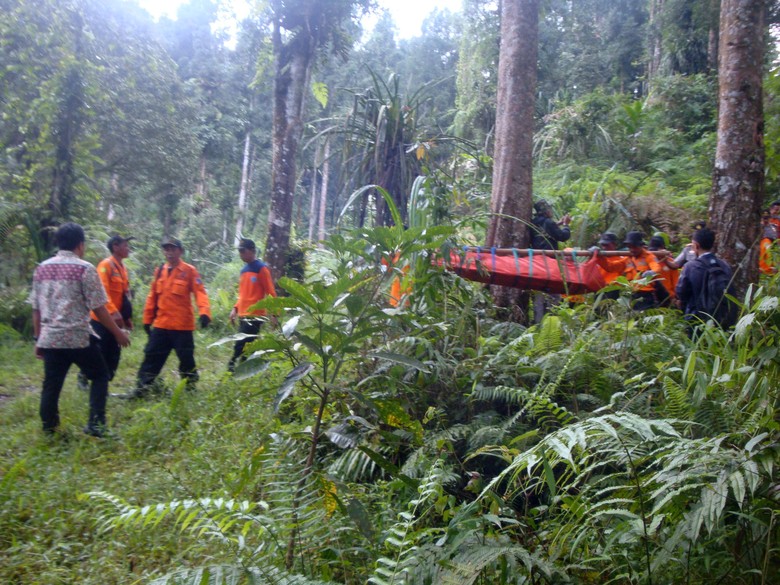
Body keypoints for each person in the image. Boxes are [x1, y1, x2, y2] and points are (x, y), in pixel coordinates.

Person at [28, 222, 131, 437]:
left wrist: (38, 338)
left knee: (51, 384)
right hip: (77, 337)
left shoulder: (42, 268)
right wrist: (117, 333)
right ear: (80, 245)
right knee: (100, 375)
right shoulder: (85, 268)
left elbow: (36, 309)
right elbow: (99, 309)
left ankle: (49, 429)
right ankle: (96, 424)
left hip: (50, 338)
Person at [126, 237, 211, 397]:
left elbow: (200, 292)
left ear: (180, 251)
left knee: (186, 359)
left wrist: (204, 313)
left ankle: (190, 387)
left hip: (182, 326)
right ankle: (142, 388)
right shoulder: (159, 271)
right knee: (151, 356)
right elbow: (152, 296)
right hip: (161, 325)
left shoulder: (189, 271)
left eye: (172, 249)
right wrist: (147, 319)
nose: (169, 252)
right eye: (166, 249)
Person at [77, 234, 133, 390]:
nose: (128, 248)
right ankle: (84, 376)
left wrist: (127, 317)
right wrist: (115, 313)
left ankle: (103, 384)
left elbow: (124, 295)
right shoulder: (105, 266)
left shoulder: (122, 268)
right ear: (115, 247)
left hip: (117, 319)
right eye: (125, 245)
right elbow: (102, 293)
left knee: (113, 353)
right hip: (102, 319)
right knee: (99, 352)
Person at [228, 238, 276, 372]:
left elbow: (270, 292)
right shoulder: (244, 271)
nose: (241, 254)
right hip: (243, 314)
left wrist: (274, 314)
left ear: (253, 251)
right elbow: (242, 294)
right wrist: (235, 309)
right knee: (247, 345)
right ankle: (245, 370)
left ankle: (231, 368)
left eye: (243, 251)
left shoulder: (261, 269)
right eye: (240, 251)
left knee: (240, 344)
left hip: (255, 315)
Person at [676, 227, 735, 329]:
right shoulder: (724, 265)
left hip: (697, 320)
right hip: (721, 319)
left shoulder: (690, 266)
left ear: (696, 246)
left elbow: (681, 292)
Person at [596, 231, 668, 310]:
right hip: (632, 294)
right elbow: (611, 267)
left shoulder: (649, 256)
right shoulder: (628, 259)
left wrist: (652, 272)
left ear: (641, 245)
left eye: (634, 247)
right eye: (630, 247)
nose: (632, 249)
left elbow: (656, 266)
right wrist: (599, 257)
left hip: (646, 294)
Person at [529, 199, 571, 322]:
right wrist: (566, 225)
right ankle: (552, 323)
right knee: (553, 292)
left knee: (539, 294)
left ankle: (538, 323)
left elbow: (546, 231)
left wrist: (557, 224)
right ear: (546, 211)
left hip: (536, 263)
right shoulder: (548, 223)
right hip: (550, 264)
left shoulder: (533, 223)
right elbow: (563, 236)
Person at [647, 234, 679, 302]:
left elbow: (676, 283)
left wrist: (675, 298)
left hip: (669, 298)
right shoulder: (648, 262)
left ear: (663, 248)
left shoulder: (671, 263)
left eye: (657, 250)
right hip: (651, 297)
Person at [759, 211, 778, 276]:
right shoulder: (758, 226)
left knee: (767, 246)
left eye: (767, 217)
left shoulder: (773, 227)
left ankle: (770, 269)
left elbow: (774, 236)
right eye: (764, 218)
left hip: (771, 243)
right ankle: (765, 268)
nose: (765, 219)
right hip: (762, 243)